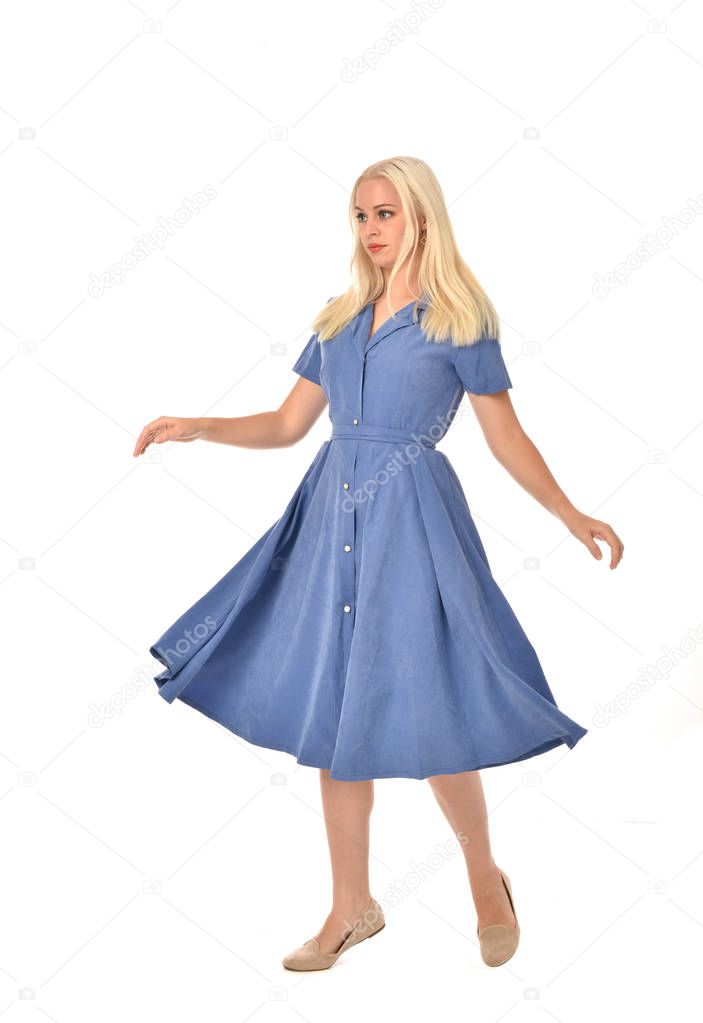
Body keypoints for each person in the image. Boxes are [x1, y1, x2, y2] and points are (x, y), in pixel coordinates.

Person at [134, 156, 623, 972]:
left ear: (421, 219)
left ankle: (483, 880)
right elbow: (291, 424)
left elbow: (504, 435)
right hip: (330, 519)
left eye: (387, 213)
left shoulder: (458, 318)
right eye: (361, 215)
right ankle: (350, 905)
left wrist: (569, 512)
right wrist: (201, 424)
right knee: (332, 714)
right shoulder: (337, 319)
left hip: (413, 521)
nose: (372, 228)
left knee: (432, 708)